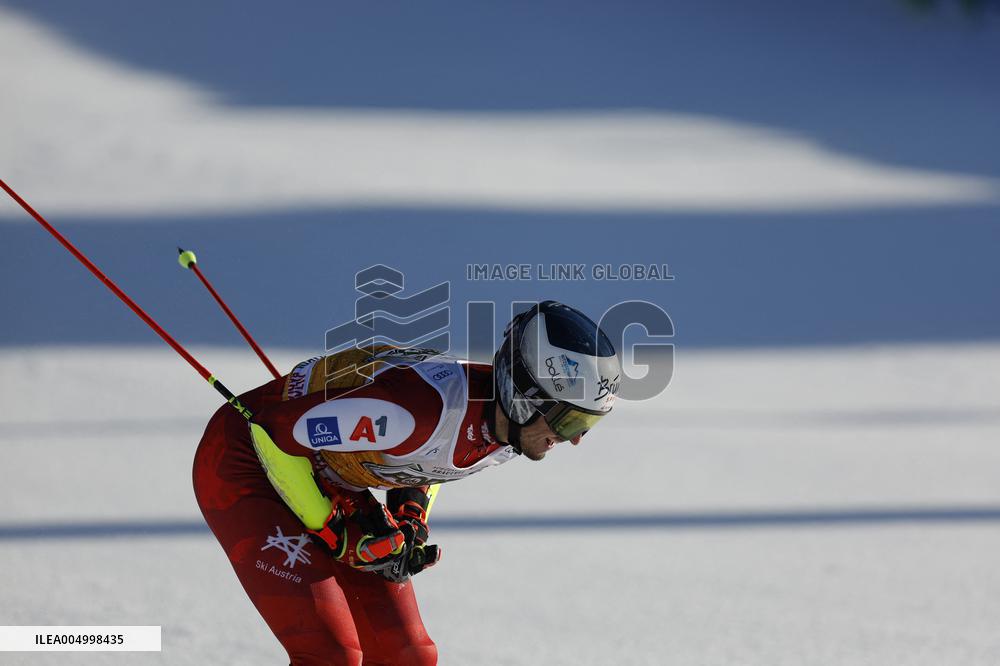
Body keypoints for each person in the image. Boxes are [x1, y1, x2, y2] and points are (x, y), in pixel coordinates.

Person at [192, 301, 621, 665]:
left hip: (327, 476)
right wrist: (331, 528)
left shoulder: (512, 429)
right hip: (245, 460)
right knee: (331, 654)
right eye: (569, 420)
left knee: (408, 654)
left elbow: (432, 461)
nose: (575, 439)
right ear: (524, 395)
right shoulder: (411, 412)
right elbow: (270, 434)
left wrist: (410, 514)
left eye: (586, 423)